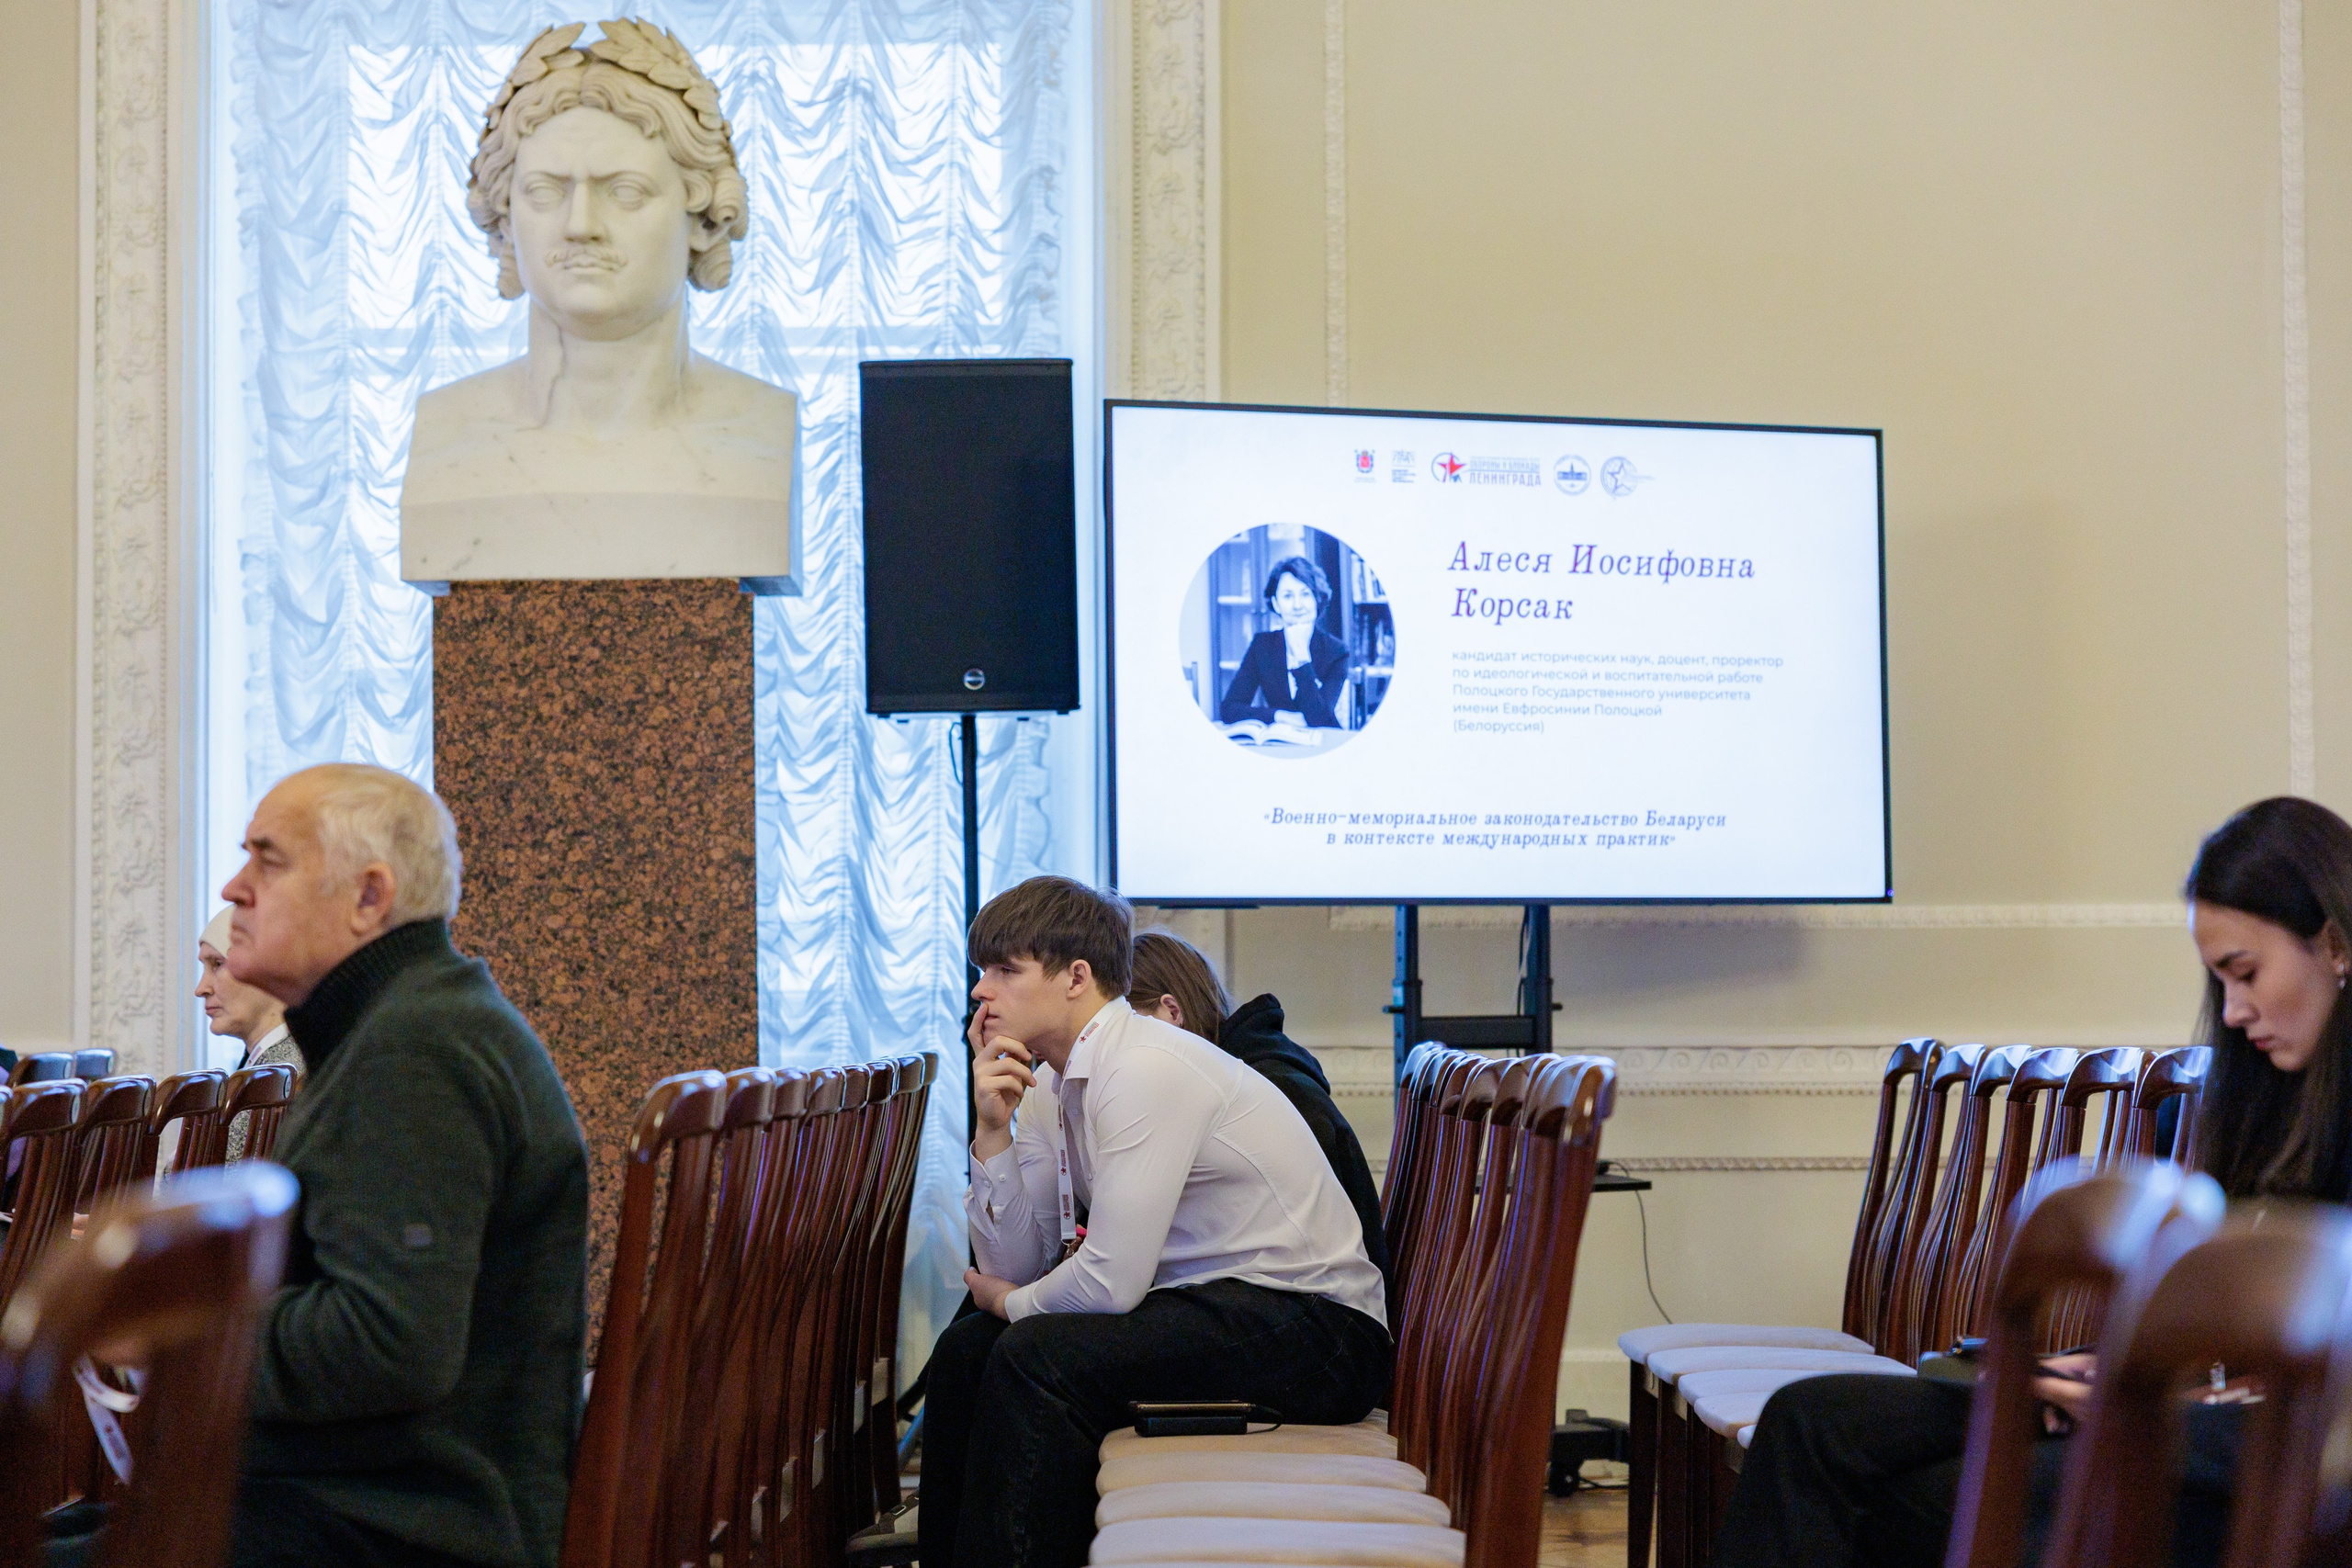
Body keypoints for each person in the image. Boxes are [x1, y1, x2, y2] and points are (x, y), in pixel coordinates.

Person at [1718, 795, 2352, 1568]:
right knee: (1810, 1425)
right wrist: (2099, 1368)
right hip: (2195, 1409)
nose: (2234, 1008)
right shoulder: (2266, 1094)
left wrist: (2144, 1400)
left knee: (1913, 1502)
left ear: (2335, 943)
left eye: (2245, 972)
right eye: (2219, 979)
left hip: (2277, 1449)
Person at [51, 762, 592, 1568]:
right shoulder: (414, 1019)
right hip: (357, 1501)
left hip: (401, 1529)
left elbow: (386, 1343)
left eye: (268, 862)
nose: (235, 887)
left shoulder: (416, 1049)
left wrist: (165, 1335)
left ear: (369, 897)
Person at [917, 877, 1392, 1568]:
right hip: (1225, 1305)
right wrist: (992, 1131)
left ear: (1076, 977)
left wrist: (1013, 1304)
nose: (980, 993)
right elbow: (1013, 1265)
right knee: (968, 1348)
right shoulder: (1054, 1080)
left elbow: (1108, 1283)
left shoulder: (1143, 1064)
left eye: (1005, 970)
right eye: (981, 972)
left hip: (1321, 1330)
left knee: (1033, 1354)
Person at [1126, 929, 1396, 1329]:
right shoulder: (1252, 1071)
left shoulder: (1273, 1089)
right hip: (1292, 1308)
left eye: (1124, 1030)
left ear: (1171, 1013)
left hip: (1318, 1321)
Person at [195, 907, 307, 1161]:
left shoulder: (283, 1073)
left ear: (268, 969)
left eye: (217, 964)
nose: (201, 989)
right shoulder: (267, 1064)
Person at [1218, 555, 1350, 729]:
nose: (1297, 605)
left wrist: (1302, 658)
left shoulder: (1336, 651)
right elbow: (1229, 708)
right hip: (1279, 743)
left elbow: (1320, 720)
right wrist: (1279, 716)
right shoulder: (1262, 645)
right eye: (1287, 596)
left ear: (1317, 599)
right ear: (1276, 604)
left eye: (1305, 594)